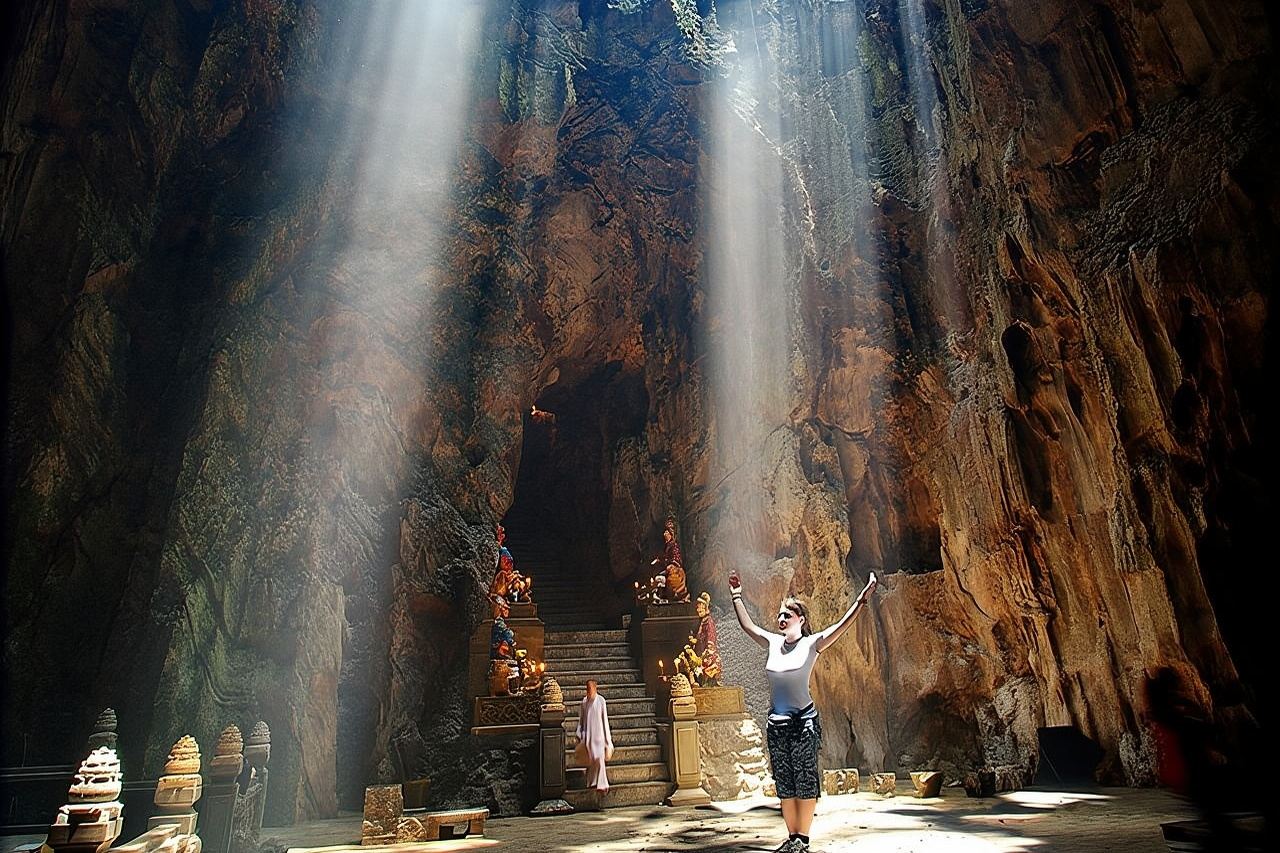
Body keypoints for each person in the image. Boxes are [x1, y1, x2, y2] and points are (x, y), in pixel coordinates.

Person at [729, 568, 878, 853]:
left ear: (801, 620)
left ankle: (803, 839)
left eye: (787, 615)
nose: (781, 618)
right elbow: (748, 627)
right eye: (780, 615)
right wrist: (736, 595)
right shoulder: (773, 643)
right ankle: (791, 836)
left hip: (803, 722)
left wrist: (862, 600)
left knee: (805, 777)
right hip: (777, 723)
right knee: (784, 779)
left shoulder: (812, 644)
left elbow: (841, 626)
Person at [575, 678, 615, 804]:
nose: (589, 691)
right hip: (588, 737)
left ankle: (603, 784)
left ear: (595, 688)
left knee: (599, 759)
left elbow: (605, 721)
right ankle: (592, 782)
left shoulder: (601, 701)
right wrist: (579, 733)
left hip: (599, 736)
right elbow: (581, 720)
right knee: (592, 760)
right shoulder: (584, 702)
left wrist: (608, 740)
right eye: (588, 688)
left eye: (591, 688)